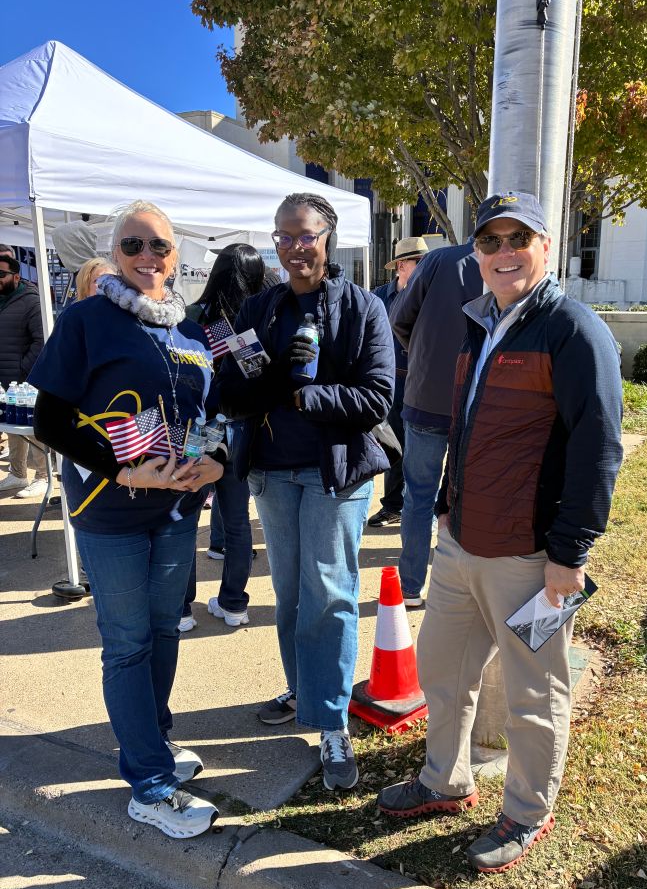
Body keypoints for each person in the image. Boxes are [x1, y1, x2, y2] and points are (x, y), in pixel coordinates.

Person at [377, 191, 624, 873]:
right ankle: (443, 781)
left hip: (530, 554)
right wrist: (449, 507)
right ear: (475, 253)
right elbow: (467, 428)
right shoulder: (481, 323)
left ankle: (525, 812)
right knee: (442, 670)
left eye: (520, 237)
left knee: (533, 693)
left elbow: (598, 449)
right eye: (490, 241)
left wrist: (568, 556)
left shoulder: (573, 330)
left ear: (547, 246)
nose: (504, 251)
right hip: (462, 544)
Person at [29, 201, 224, 839]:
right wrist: (121, 471)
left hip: (175, 510)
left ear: (176, 256)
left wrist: (217, 462)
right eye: (133, 245)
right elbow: (50, 422)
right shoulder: (87, 319)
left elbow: (211, 418)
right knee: (128, 641)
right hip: (109, 512)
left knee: (165, 630)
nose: (147, 257)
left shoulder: (189, 330)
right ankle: (150, 784)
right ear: (116, 253)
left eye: (159, 247)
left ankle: (154, 744)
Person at [219, 192, 394, 791]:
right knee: (292, 593)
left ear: (329, 237)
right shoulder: (260, 309)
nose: (294, 247)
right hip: (271, 471)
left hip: (334, 474)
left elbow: (376, 398)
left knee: (330, 593)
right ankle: (304, 690)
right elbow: (234, 390)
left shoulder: (363, 308)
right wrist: (254, 373)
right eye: (283, 236)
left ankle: (332, 720)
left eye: (305, 235)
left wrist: (305, 393)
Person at [388, 233, 482, 606]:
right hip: (477, 401)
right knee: (465, 496)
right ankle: (456, 586)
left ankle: (411, 585)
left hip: (426, 396)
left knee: (418, 497)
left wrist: (421, 354)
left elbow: (399, 317)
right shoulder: (514, 268)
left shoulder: (438, 261)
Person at [180, 243, 269, 632]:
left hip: (197, 429)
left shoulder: (192, 319)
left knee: (183, 519)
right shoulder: (261, 317)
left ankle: (181, 607)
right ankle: (234, 601)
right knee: (237, 521)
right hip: (240, 429)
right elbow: (259, 378)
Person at [367, 236, 428, 528]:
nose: (425, 270)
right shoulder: (378, 297)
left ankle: (421, 508)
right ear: (402, 265)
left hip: (423, 383)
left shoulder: (431, 297)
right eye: (420, 264)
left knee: (423, 451)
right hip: (389, 384)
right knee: (393, 446)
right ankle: (392, 505)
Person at [0, 245, 48, 498]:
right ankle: (18, 474)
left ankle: (42, 476)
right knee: (11, 428)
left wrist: (22, 370)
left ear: (16, 277)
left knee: (33, 429)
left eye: (1, 274)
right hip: (5, 381)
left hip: (27, 382)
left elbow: (41, 342)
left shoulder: (31, 301)